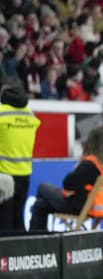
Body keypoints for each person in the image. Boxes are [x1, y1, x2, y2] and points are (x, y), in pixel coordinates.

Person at [28, 127, 103, 232]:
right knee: (40, 205)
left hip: (76, 206)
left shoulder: (90, 164)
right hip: (91, 208)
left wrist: (77, 168)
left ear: (90, 144)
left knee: (42, 187)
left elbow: (68, 183)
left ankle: (35, 241)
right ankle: (40, 239)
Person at [0, 81, 41, 233]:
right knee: (18, 218)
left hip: (4, 176)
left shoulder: (1, 113)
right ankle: (20, 255)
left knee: (4, 221)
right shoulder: (30, 115)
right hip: (24, 175)